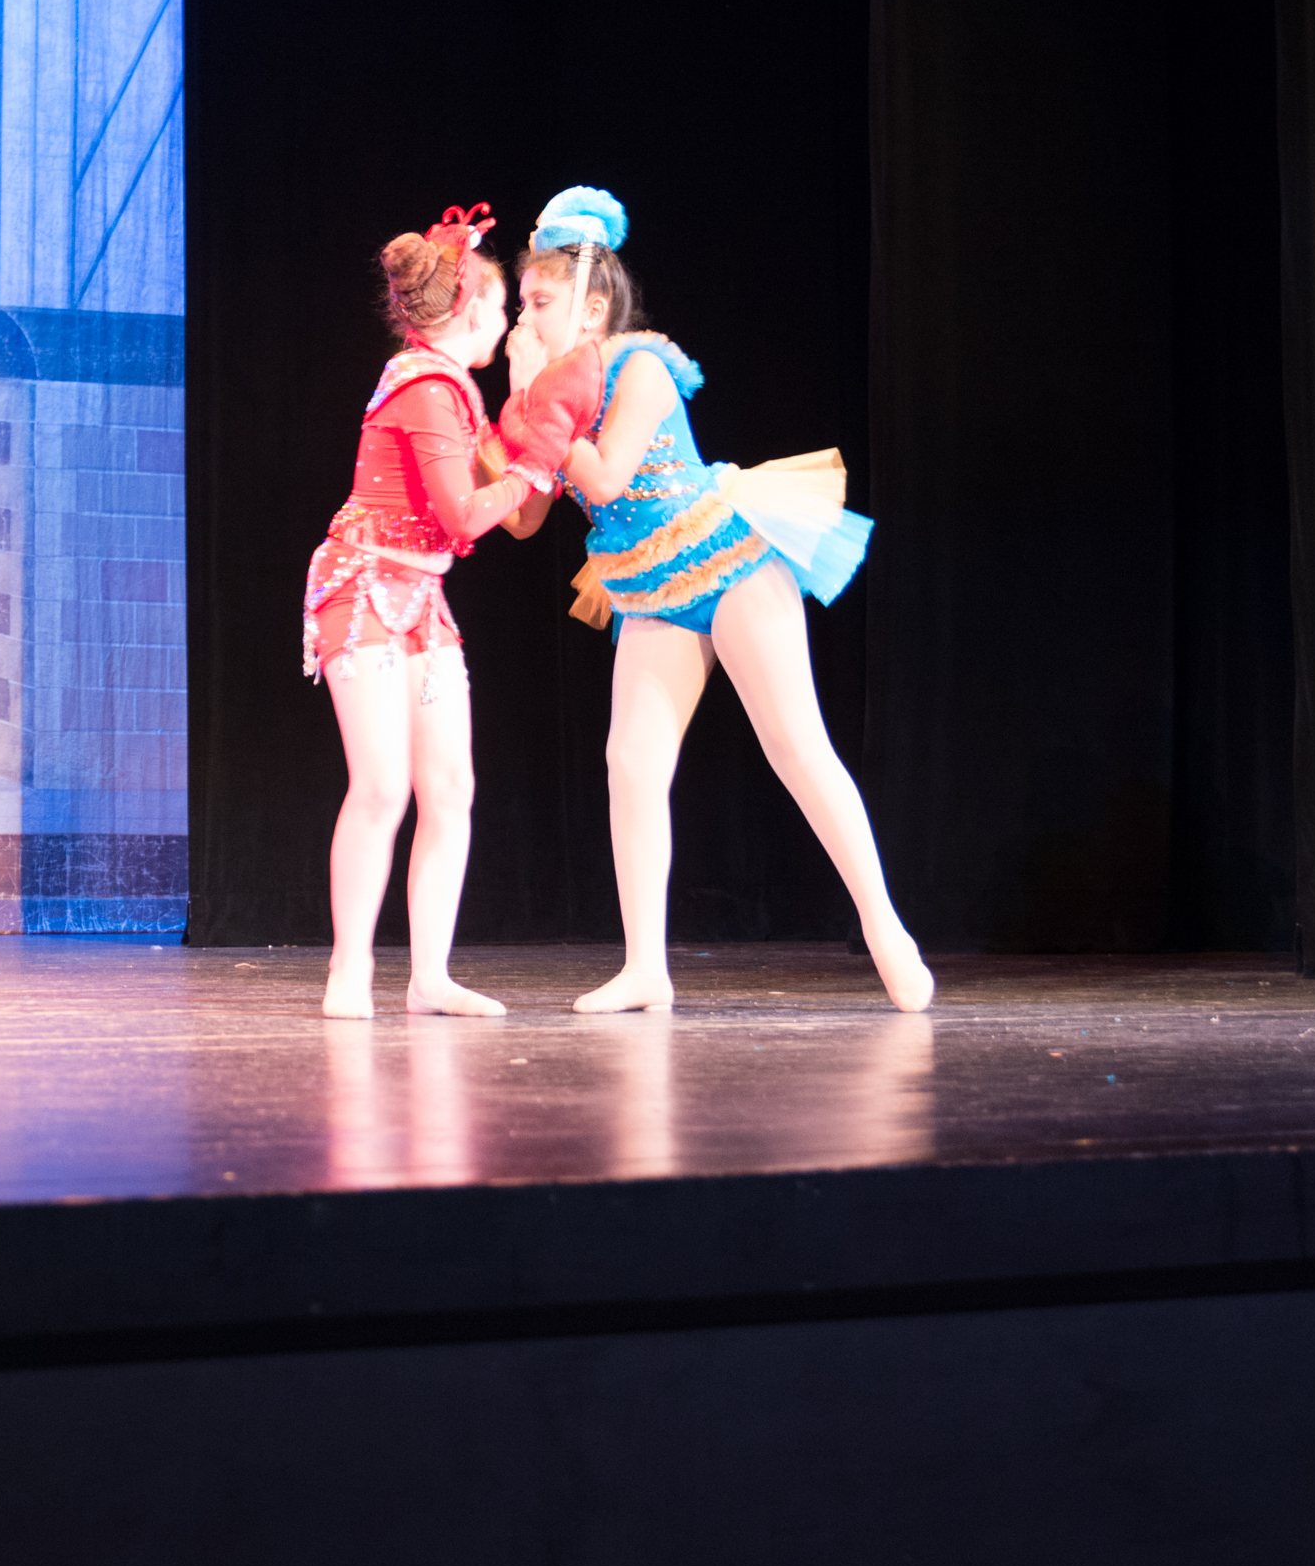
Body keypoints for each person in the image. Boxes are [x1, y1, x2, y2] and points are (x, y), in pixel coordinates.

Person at [498, 186, 933, 1014]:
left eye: (541, 303)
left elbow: (607, 477)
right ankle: (645, 968)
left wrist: (529, 405)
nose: (527, 320)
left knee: (795, 745)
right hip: (649, 588)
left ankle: (886, 929)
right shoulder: (553, 400)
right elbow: (523, 519)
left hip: (725, 559)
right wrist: (497, 435)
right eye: (523, 304)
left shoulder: (640, 368)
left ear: (592, 309)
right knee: (631, 764)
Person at [305, 204, 553, 1018]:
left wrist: (535, 419)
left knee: (449, 787)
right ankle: (349, 970)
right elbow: (465, 516)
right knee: (382, 786)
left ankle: (430, 977)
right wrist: (535, 467)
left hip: (421, 595)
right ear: (473, 308)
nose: (508, 323)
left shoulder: (458, 392)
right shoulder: (424, 385)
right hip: (364, 584)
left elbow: (520, 518)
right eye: (503, 308)